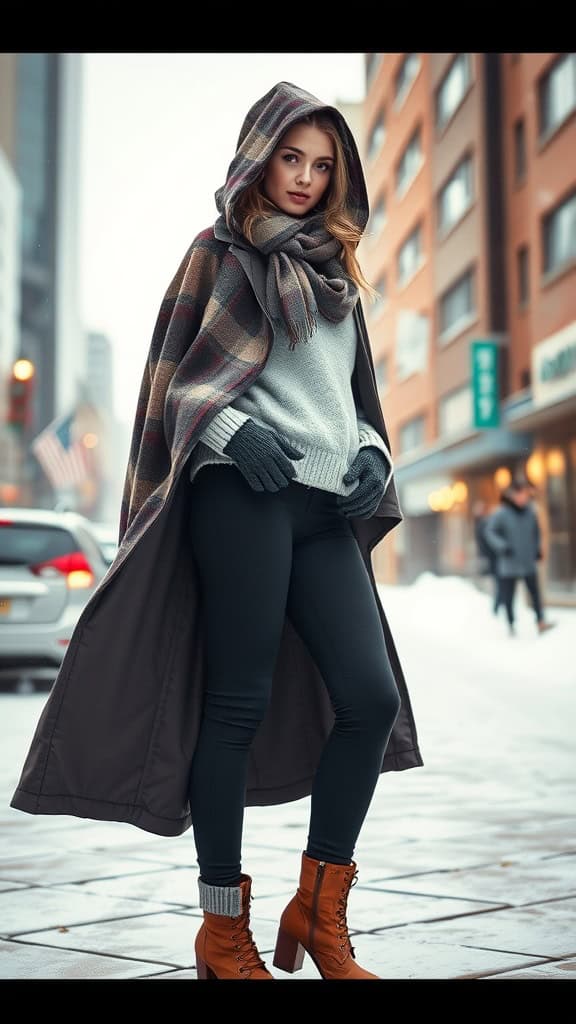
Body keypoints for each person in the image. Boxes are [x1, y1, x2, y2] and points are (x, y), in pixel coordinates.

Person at [10, 81, 424, 982]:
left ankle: (320, 910)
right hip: (242, 494)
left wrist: (371, 456)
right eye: (292, 158)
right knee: (233, 704)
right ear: (258, 155)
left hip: (323, 507)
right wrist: (237, 433)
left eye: (324, 165)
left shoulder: (334, 273)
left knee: (370, 697)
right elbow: (176, 386)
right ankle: (221, 929)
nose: (308, 179)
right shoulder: (218, 254)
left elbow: (352, 403)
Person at [482, 480, 556, 637]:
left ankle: (540, 621)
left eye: (526, 495)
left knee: (535, 593)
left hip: (527, 560)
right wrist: (502, 546)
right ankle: (511, 624)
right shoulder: (502, 513)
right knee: (509, 596)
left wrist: (537, 549)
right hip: (509, 562)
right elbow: (489, 531)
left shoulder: (530, 512)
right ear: (514, 495)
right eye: (521, 494)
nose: (524, 498)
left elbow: (535, 533)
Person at [472, 499, 502, 615]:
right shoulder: (483, 524)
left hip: (488, 557)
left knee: (495, 582)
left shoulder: (482, 523)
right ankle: (496, 606)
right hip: (490, 557)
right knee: (495, 583)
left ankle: (496, 605)